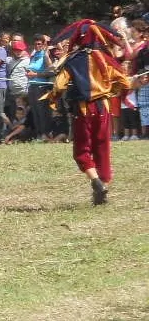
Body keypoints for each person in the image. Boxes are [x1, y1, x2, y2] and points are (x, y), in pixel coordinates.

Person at [44, 20, 136, 205]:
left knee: (82, 151)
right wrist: (111, 90)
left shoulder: (72, 59)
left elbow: (59, 85)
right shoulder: (106, 58)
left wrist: (52, 97)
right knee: (102, 148)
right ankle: (103, 188)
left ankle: (96, 182)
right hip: (103, 107)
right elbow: (125, 82)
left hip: (82, 109)